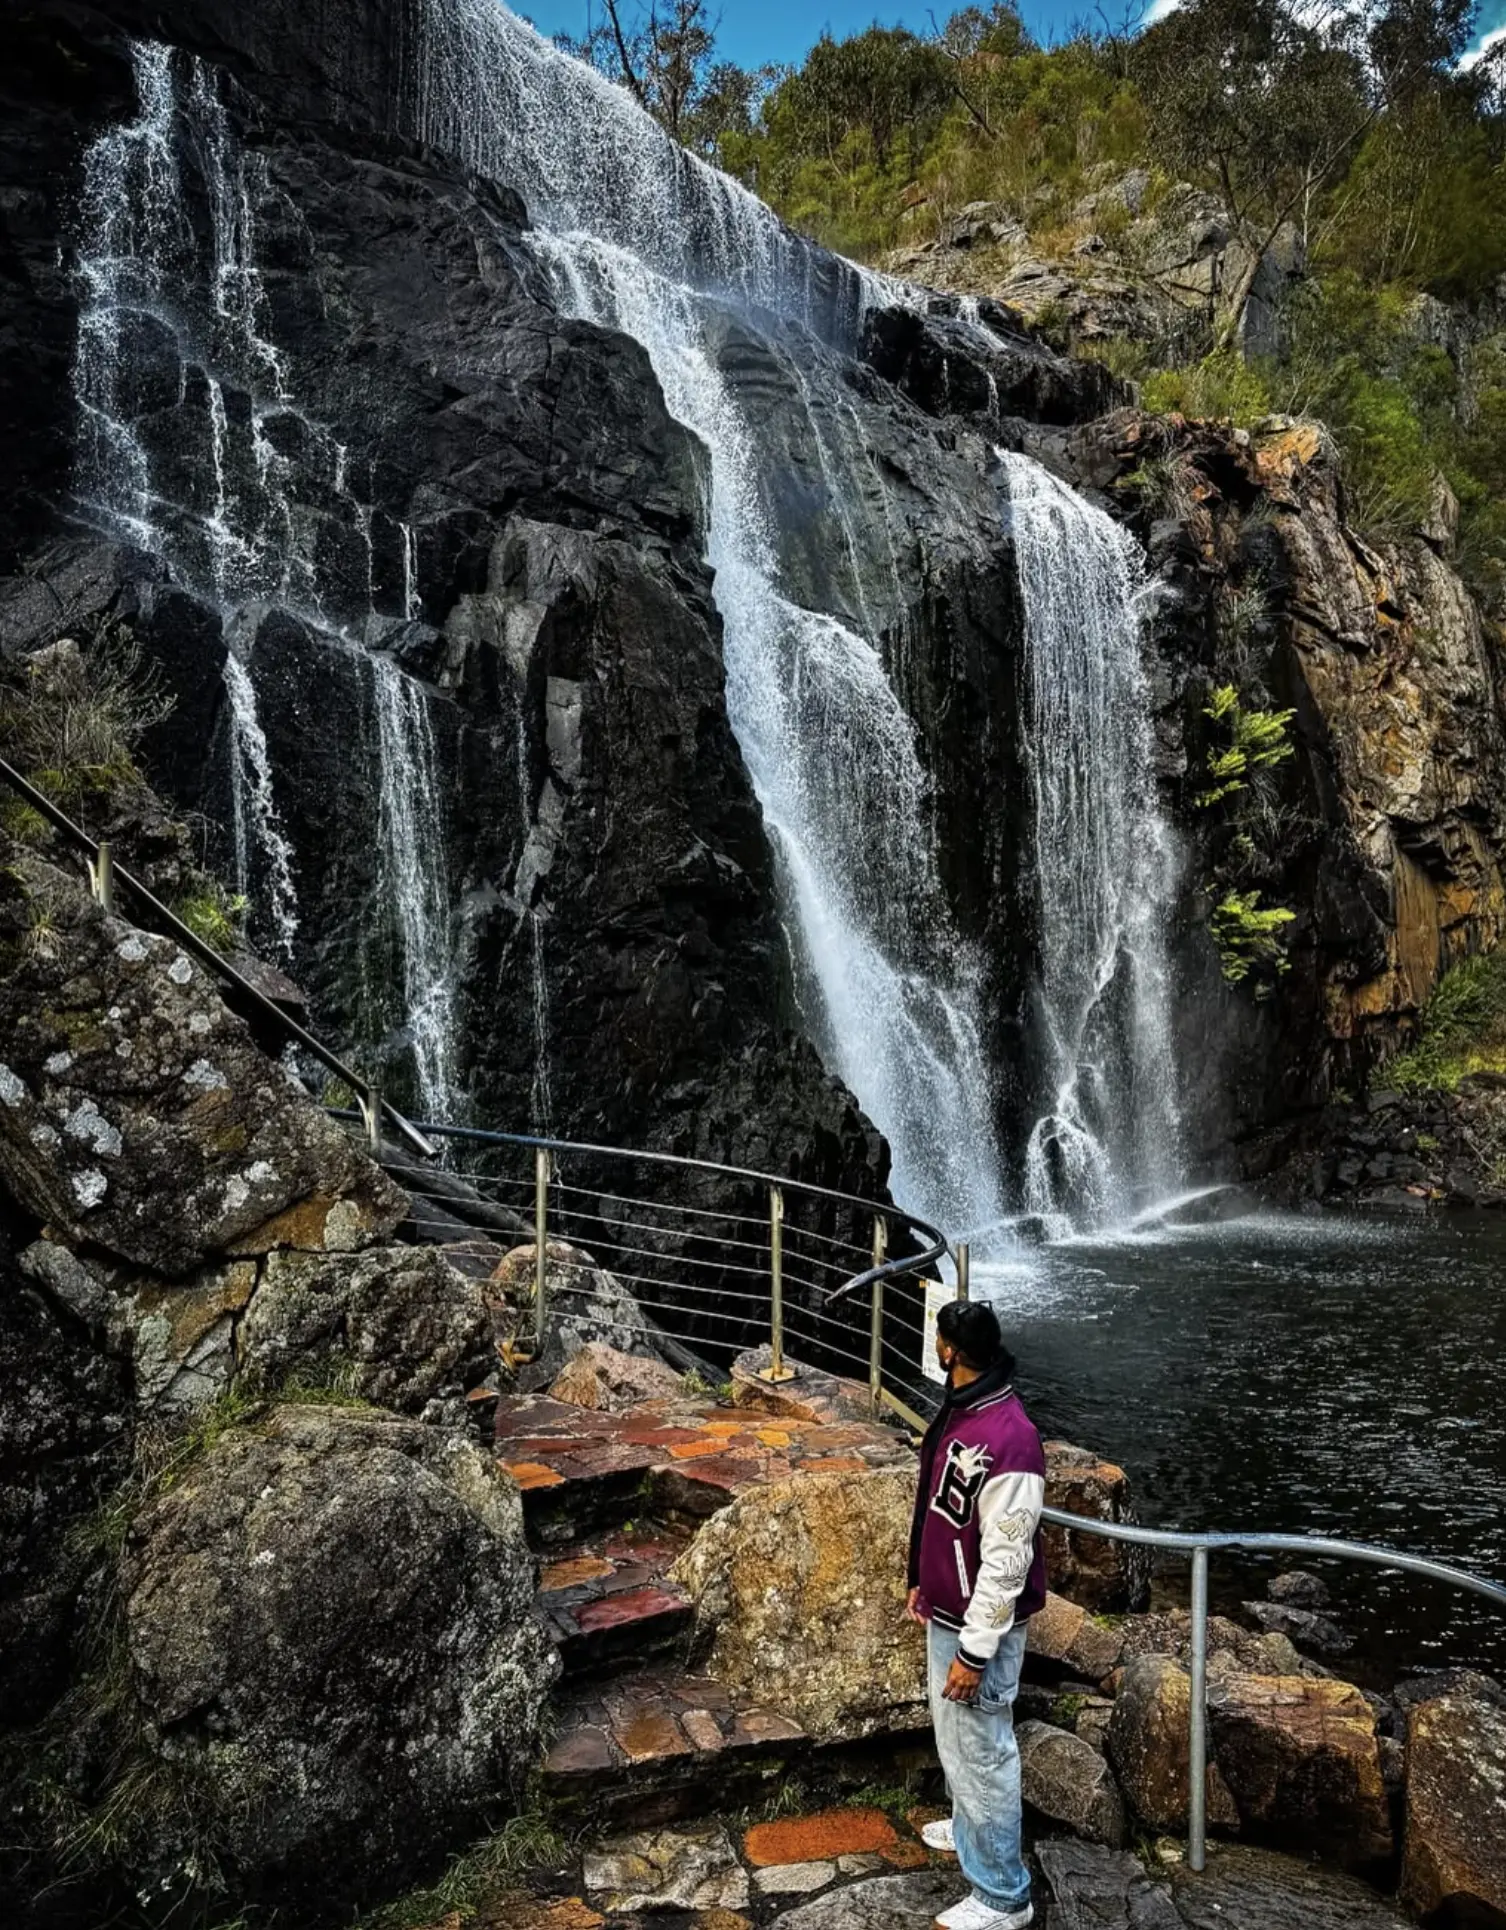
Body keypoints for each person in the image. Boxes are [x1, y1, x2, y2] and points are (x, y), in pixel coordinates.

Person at [905, 1297, 1047, 1930]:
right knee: (959, 1744)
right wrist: (924, 1585)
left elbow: (1006, 1565)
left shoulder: (1010, 1439)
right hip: (950, 1610)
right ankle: (969, 1828)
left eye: (937, 1339)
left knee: (983, 1752)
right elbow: (943, 1516)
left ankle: (1001, 1896)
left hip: (977, 1627)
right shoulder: (968, 1409)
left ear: (949, 1352)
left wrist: (973, 1651)